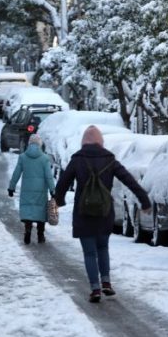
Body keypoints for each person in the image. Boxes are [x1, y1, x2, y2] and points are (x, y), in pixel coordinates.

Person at [54, 125, 151, 303]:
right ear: (100, 141)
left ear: (84, 141)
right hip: (104, 212)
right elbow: (129, 180)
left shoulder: (77, 160)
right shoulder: (109, 160)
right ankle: (106, 281)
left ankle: (95, 288)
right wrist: (144, 200)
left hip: (84, 213)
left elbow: (63, 183)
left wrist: (58, 201)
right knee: (103, 247)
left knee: (90, 252)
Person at [8, 134, 55, 244]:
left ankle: (28, 231)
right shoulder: (44, 158)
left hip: (27, 191)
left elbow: (16, 173)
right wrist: (53, 190)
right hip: (40, 191)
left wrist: (11, 187)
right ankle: (40, 235)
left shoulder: (23, 157)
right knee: (41, 212)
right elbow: (49, 176)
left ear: (29, 143)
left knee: (28, 211)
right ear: (40, 144)